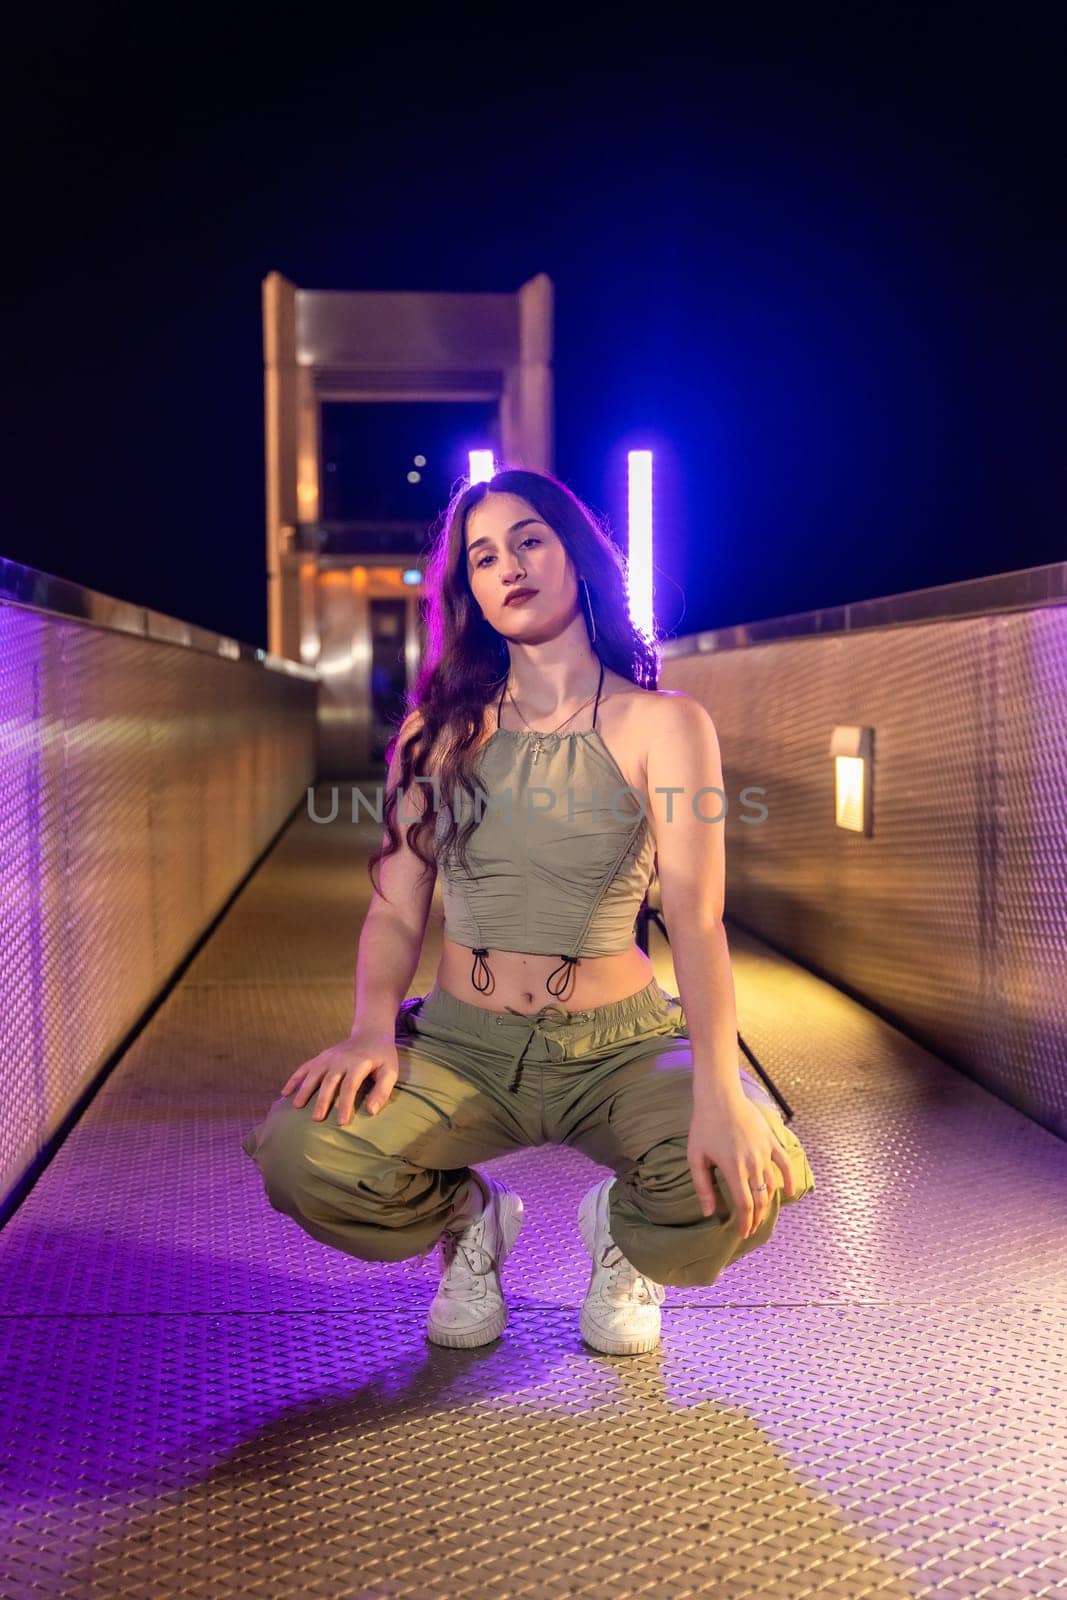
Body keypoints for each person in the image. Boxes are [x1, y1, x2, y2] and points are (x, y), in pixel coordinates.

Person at [241, 468, 816, 1356]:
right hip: (462, 1042)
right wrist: (366, 1031)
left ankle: (618, 1236)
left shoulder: (663, 725)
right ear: (467, 591)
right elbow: (396, 909)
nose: (506, 565)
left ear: (576, 555)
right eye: (481, 557)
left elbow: (697, 922)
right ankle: (470, 1223)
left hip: (618, 1045)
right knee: (303, 1154)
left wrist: (716, 1089)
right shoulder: (433, 735)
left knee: (748, 1168)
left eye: (528, 541)